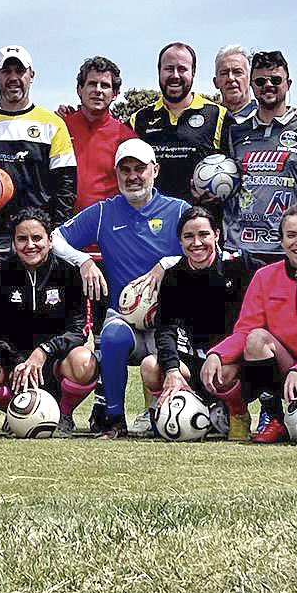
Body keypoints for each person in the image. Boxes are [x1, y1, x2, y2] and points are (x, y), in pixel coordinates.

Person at [52, 139, 188, 435]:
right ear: (116, 174)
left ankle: (162, 415)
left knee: (158, 365)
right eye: (124, 170)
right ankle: (114, 419)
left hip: (168, 321)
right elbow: (56, 239)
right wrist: (84, 261)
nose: (132, 176)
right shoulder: (103, 213)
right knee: (111, 336)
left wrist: (166, 264)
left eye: (140, 168)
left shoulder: (178, 211)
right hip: (124, 317)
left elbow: (203, 246)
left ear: (156, 170)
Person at [204, 202, 297, 442]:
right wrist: (217, 354)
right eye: (291, 235)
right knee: (254, 340)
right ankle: (273, 418)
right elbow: (245, 331)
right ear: (282, 241)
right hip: (284, 365)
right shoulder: (265, 276)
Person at [0, 209, 96, 425]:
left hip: (55, 362)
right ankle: (17, 412)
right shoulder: (0, 276)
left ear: (50, 239)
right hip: (13, 365)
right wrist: (18, 361)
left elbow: (79, 329)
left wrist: (45, 351)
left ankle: (63, 414)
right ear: (14, 243)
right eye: (22, 239)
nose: (30, 245)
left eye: (37, 238)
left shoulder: (69, 274)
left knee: (84, 361)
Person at [141, 206, 256, 435]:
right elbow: (166, 329)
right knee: (150, 367)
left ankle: (237, 413)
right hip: (193, 358)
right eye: (188, 236)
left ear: (217, 234)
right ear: (181, 241)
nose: (197, 243)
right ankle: (161, 412)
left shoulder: (239, 266)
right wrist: (172, 369)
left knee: (225, 373)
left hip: (229, 359)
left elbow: (251, 322)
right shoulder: (174, 275)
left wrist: (220, 355)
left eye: (204, 234)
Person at [0, 46, 77, 254]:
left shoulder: (54, 125)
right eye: (6, 71)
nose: (13, 77)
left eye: (20, 71)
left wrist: (55, 235)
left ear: (32, 76)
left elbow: (66, 186)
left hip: (36, 239)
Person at [224, 50, 297, 262]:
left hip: (292, 247)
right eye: (260, 81)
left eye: (276, 79)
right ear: (252, 86)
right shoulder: (236, 132)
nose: (268, 85)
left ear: (288, 83)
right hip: (242, 247)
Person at [130, 42, 232, 205]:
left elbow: (237, 170)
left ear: (193, 73)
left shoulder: (218, 115)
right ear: (159, 72)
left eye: (182, 69)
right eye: (169, 69)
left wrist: (221, 191)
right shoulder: (138, 120)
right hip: (150, 224)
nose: (175, 75)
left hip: (200, 224)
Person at [62, 57, 137, 211]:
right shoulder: (60, 128)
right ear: (79, 89)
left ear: (114, 93)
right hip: (64, 225)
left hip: (109, 225)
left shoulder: (127, 138)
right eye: (92, 83)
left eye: (105, 85)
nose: (98, 90)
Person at [214, 44, 257, 124]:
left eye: (238, 72)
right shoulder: (208, 121)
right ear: (215, 82)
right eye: (224, 73)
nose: (230, 78)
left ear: (251, 79)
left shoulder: (263, 119)